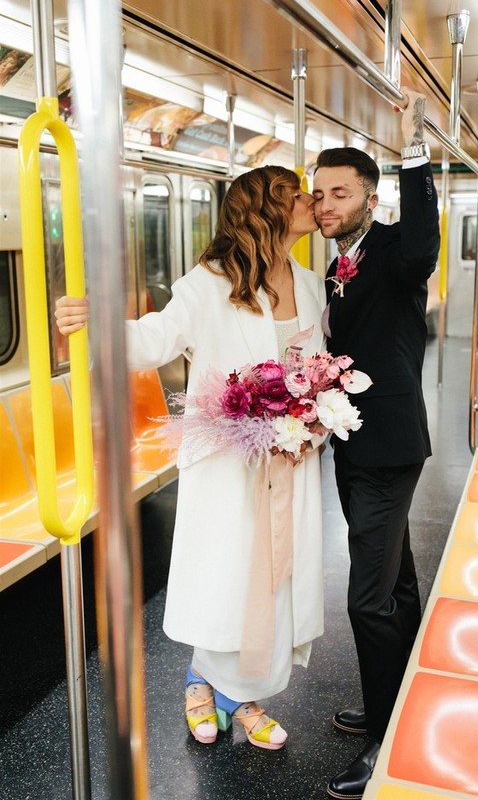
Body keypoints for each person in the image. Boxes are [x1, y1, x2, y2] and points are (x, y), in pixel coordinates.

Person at [55, 166, 326, 751]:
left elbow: (312, 362)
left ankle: (242, 693)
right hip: (231, 459)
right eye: (295, 193)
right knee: (230, 573)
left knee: (276, 573)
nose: (309, 202)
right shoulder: (209, 283)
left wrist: (315, 415)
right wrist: (96, 322)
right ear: (267, 210)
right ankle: (206, 681)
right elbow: (157, 337)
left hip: (292, 454)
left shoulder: (309, 282)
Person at [312, 91, 440, 799]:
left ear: (370, 197)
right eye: (318, 193)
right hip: (356, 445)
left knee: (367, 599)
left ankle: (385, 738)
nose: (324, 204)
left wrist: (413, 148)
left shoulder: (392, 249)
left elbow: (423, 242)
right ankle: (404, 697)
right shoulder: (336, 266)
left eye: (339, 193)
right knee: (396, 584)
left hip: (386, 447)